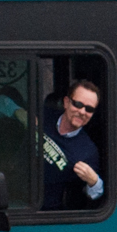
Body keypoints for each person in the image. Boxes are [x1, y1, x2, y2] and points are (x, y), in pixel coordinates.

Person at [42, 80, 103, 210]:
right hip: (16, 196)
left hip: (45, 213)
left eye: (89, 109)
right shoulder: (44, 115)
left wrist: (94, 181)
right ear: (66, 102)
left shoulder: (88, 151)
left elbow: (96, 195)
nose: (82, 112)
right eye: (78, 104)